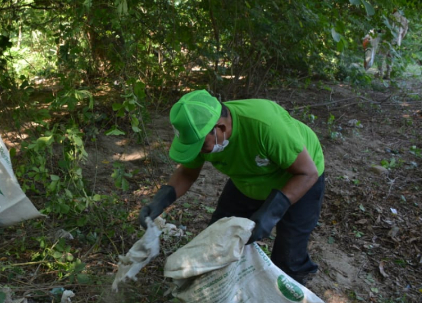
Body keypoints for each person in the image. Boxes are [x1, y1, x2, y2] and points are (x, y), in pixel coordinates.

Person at [138, 89, 327, 283]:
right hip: (247, 179)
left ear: (219, 127)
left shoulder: (265, 126)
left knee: (289, 253)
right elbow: (187, 172)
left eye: (202, 146)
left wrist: (271, 212)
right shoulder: (201, 133)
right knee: (217, 239)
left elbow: (307, 173)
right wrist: (161, 201)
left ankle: (296, 282)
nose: (199, 152)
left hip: (299, 177)